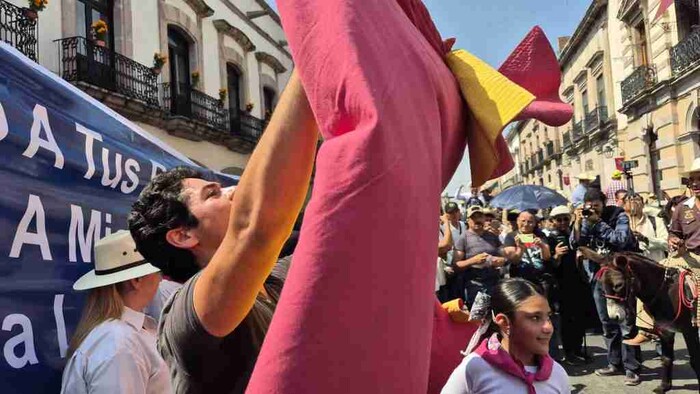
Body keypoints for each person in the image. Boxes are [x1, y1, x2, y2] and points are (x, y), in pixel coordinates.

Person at [128, 70, 318, 393]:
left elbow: (327, 235)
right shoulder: (182, 318)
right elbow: (254, 230)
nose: (233, 192)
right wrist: (313, 56)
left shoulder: (271, 279)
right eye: (213, 194)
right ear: (184, 235)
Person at [61, 230, 170, 394]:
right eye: (156, 272)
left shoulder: (123, 337)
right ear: (136, 280)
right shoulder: (120, 344)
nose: (160, 278)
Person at [441, 278, 570, 394]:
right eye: (535, 318)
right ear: (504, 323)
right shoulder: (474, 369)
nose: (548, 327)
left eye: (548, 317)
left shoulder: (557, 374)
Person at [570, 188, 641, 385]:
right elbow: (575, 244)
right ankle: (614, 363)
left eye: (596, 206)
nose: (592, 210)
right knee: (607, 323)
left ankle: (632, 368)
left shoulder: (619, 216)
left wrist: (598, 223)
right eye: (589, 206)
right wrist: (577, 223)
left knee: (626, 322)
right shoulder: (583, 219)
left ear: (603, 204)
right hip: (597, 277)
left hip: (619, 277)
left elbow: (621, 240)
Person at [622, 194, 668, 346]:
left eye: (637, 200)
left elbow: (666, 243)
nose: (633, 203)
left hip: (656, 273)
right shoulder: (621, 224)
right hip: (633, 276)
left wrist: (646, 239)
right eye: (629, 201)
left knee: (661, 316)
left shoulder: (655, 221)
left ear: (643, 203)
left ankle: (663, 350)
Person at [547, 206, 590, 365]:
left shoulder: (572, 233)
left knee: (579, 317)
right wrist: (557, 255)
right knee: (567, 320)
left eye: (566, 218)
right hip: (561, 282)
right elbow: (550, 264)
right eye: (559, 219)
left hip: (577, 279)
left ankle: (578, 349)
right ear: (552, 221)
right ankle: (569, 352)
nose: (563, 222)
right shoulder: (550, 238)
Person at [453, 206, 507, 307]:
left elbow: (504, 256)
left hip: (495, 282)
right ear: (468, 220)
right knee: (478, 319)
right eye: (474, 218)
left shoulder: (492, 236)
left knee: (495, 317)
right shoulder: (463, 238)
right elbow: (456, 265)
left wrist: (501, 260)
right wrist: (473, 260)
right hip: (476, 285)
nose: (478, 220)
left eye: (480, 217)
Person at [503, 211, 553, 295]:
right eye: (523, 221)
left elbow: (547, 257)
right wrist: (520, 248)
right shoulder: (511, 236)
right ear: (518, 221)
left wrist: (542, 245)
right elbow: (514, 261)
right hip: (520, 280)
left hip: (540, 279)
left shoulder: (540, 235)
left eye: (530, 222)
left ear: (534, 223)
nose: (526, 224)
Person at [442, 202, 468, 301]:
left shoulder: (463, 225)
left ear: (459, 212)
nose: (453, 215)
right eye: (450, 213)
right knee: (452, 295)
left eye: (455, 212)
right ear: (446, 214)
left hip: (462, 262)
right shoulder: (443, 228)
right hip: (449, 266)